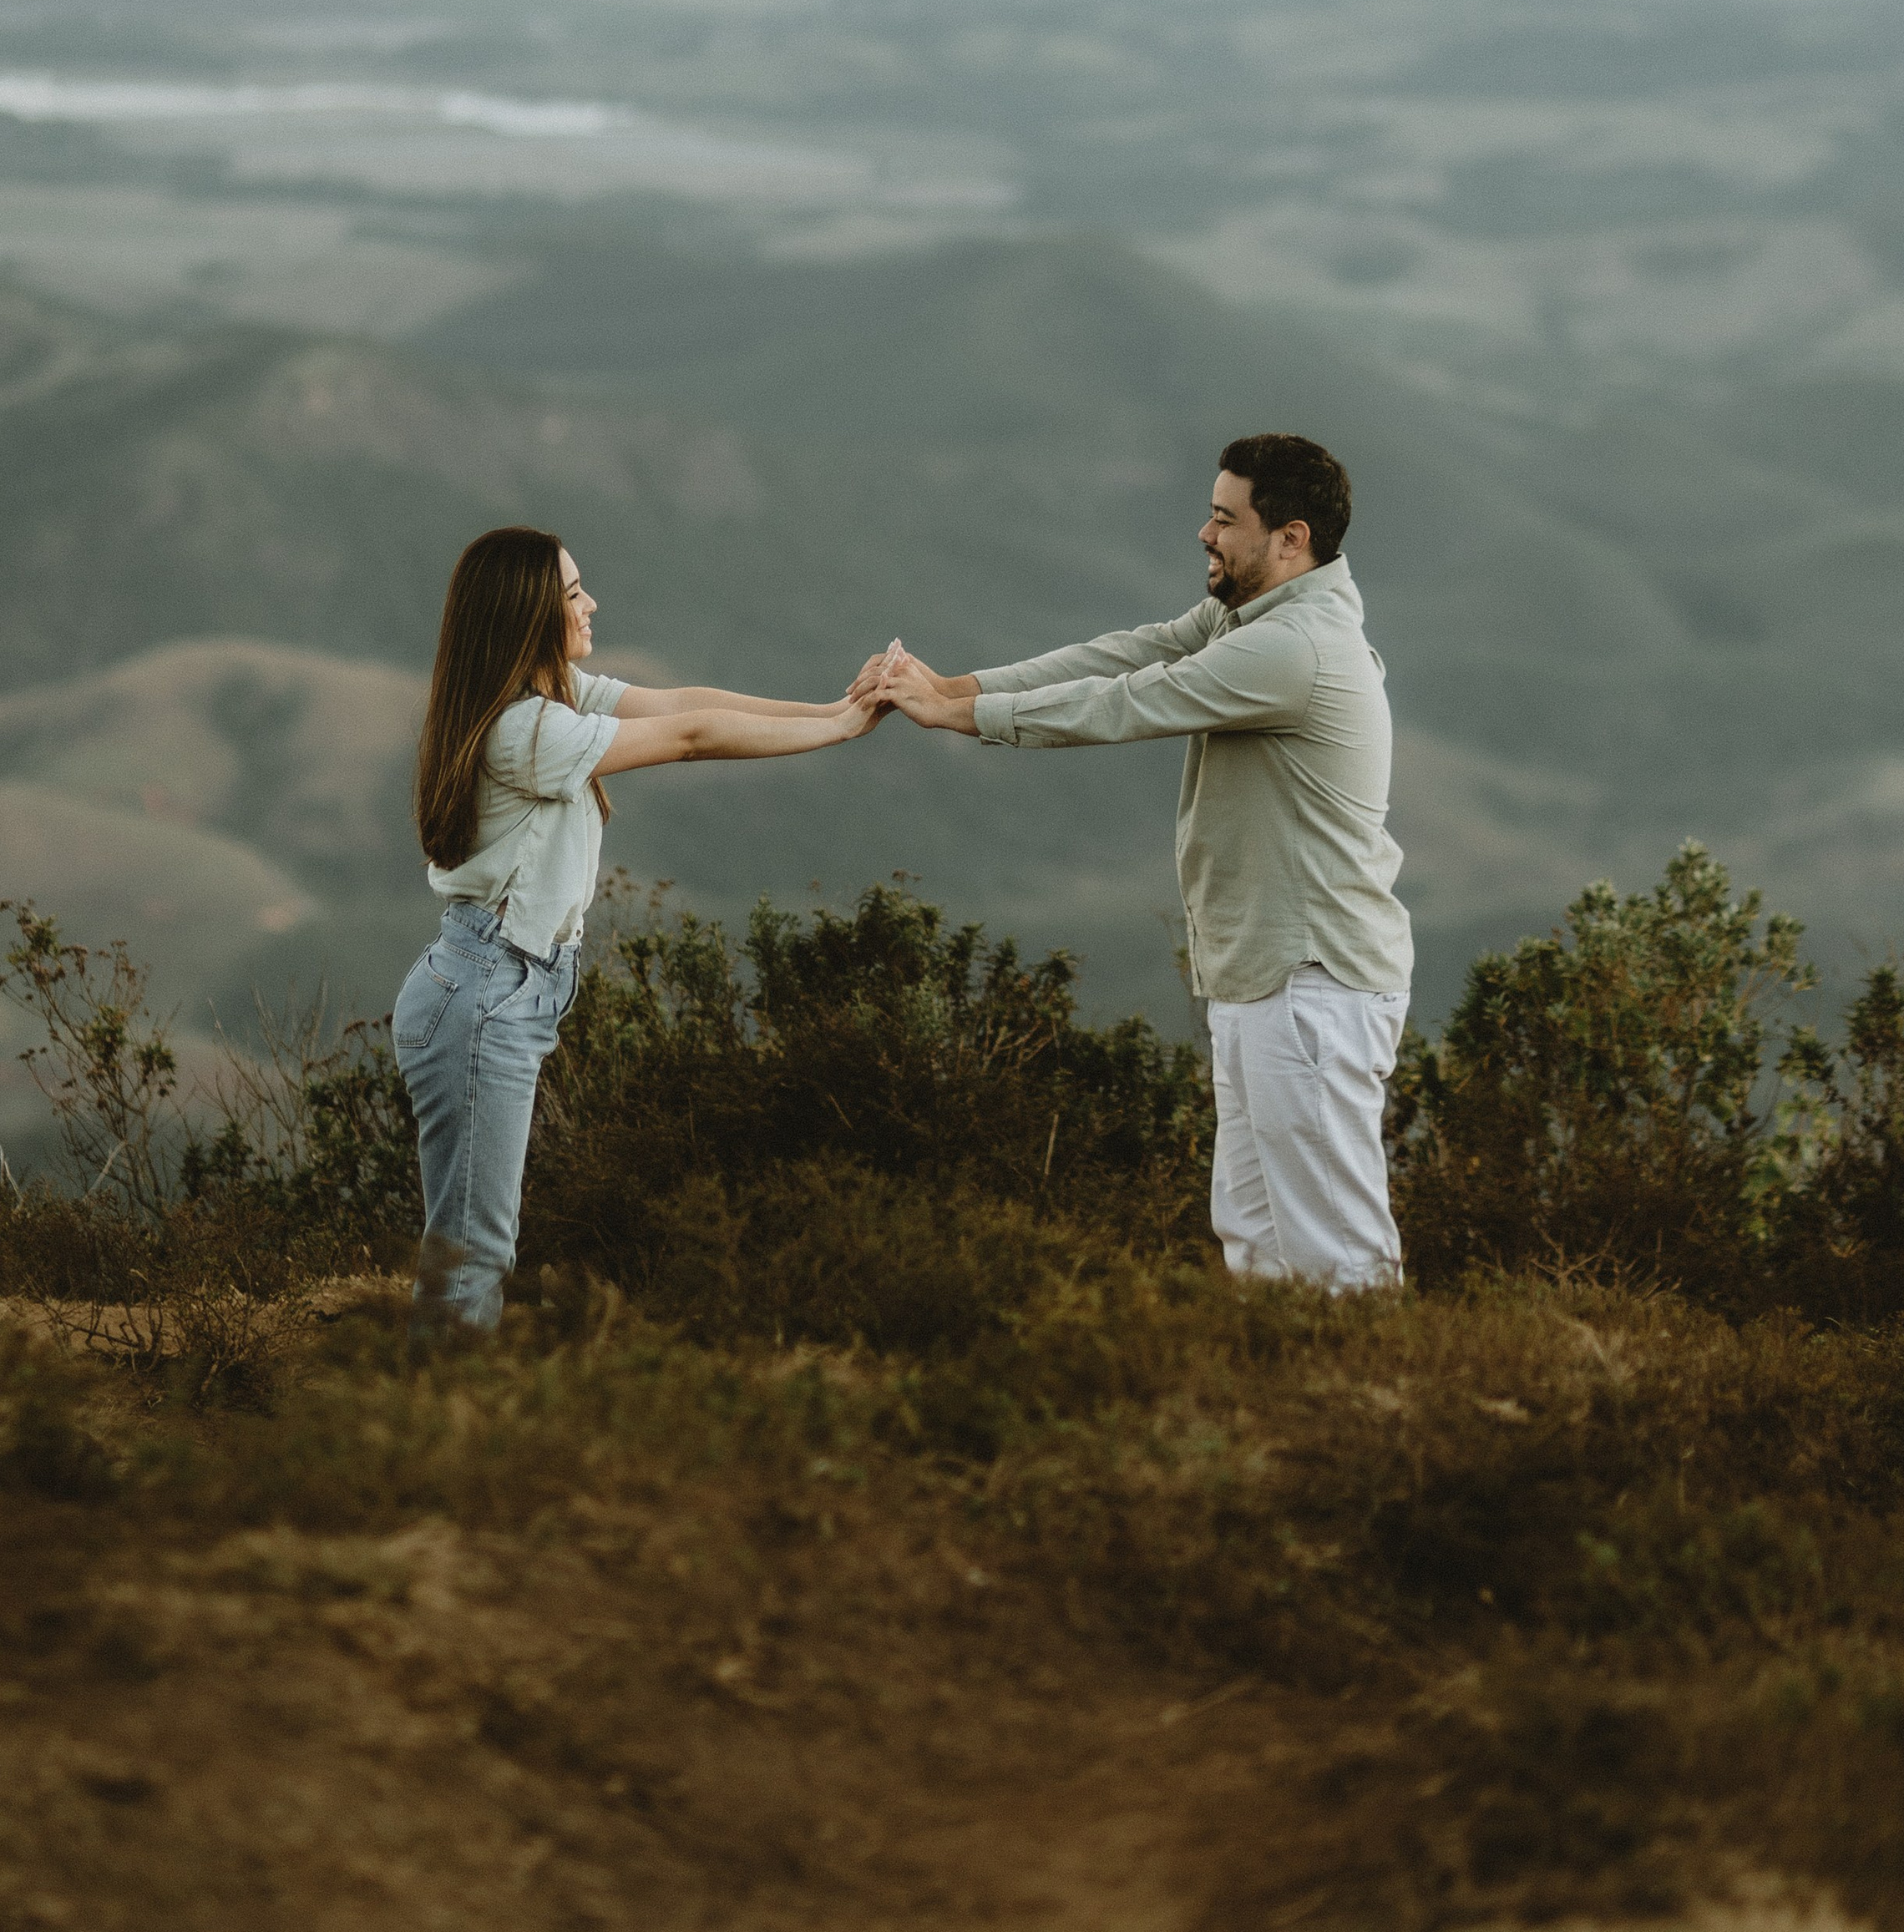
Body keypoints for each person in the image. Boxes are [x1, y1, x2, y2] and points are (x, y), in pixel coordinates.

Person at [857, 434, 1411, 1292]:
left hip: (1312, 984)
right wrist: (957, 686)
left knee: (1335, 1255)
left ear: (1290, 538)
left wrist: (961, 720)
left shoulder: (1291, 647)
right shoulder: (1251, 614)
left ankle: (1389, 1414)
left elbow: (1129, 701)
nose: (1204, 533)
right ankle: (1295, 1414)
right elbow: (1128, 652)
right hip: (1269, 981)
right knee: (1260, 1245)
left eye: (1226, 520)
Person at [398, 522, 880, 1340]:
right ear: (526, 613)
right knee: (474, 1256)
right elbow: (688, 740)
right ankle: (438, 1444)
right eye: (573, 592)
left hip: (499, 988)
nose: (592, 604)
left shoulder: (554, 699)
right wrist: (841, 730)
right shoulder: (526, 731)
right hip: (486, 996)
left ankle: (445, 1432)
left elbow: (689, 704)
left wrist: (840, 707)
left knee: (476, 1249)